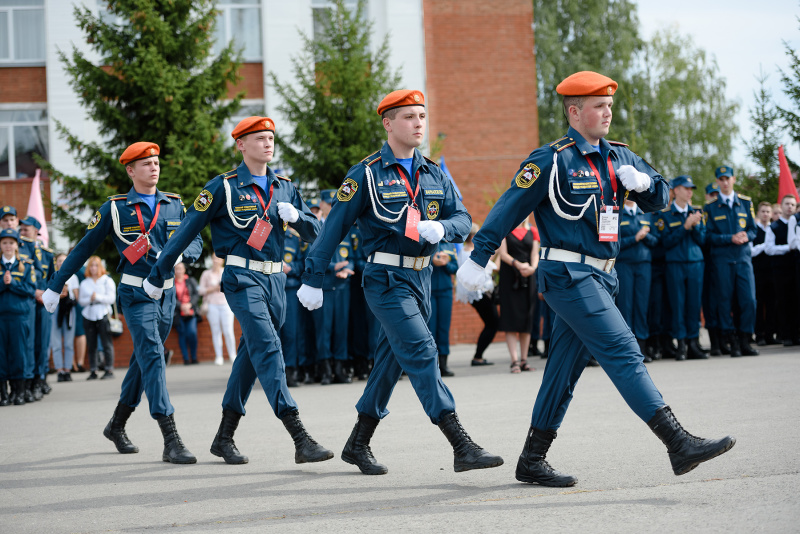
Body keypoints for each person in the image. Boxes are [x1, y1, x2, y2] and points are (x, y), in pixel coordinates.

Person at [458, 71, 735, 486]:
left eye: (609, 106)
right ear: (574, 112)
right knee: (624, 350)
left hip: (605, 275)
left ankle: (532, 459)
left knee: (563, 371)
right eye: (598, 107)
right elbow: (508, 207)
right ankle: (677, 442)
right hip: (568, 273)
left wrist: (645, 185)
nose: (607, 113)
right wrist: (477, 259)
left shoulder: (620, 156)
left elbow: (660, 195)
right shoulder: (552, 159)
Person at [298, 90, 503, 476]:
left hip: (421, 276)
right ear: (388, 124)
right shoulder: (367, 174)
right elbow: (332, 231)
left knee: (390, 365)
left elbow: (463, 220)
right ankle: (460, 443)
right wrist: (313, 278)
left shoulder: (433, 171)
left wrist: (440, 226)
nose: (418, 123)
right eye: (409, 116)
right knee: (422, 350)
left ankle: (358, 443)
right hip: (386, 277)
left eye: (422, 116)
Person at [144, 117, 332, 467]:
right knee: (268, 347)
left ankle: (224, 437)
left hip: (276, 282)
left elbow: (316, 232)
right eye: (259, 138)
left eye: (271, 137)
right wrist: (158, 272)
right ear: (241, 145)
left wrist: (299, 218)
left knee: (251, 355)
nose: (268, 143)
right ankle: (299, 435)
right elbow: (185, 232)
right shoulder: (223, 187)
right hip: (242, 278)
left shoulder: (285, 186)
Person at [43, 142, 203, 464]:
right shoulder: (115, 208)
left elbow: (196, 237)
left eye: (156, 162)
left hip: (168, 293)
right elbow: (82, 249)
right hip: (136, 293)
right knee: (155, 354)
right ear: (130, 170)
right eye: (146, 164)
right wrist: (55, 285)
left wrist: (184, 253)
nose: (154, 167)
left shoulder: (174, 204)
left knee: (143, 358)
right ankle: (170, 437)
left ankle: (116, 425)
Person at [703, 165, 759, 357]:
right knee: (724, 302)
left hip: (743, 259)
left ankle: (745, 340)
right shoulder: (710, 208)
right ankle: (732, 341)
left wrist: (747, 235)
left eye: (728, 178)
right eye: (721, 179)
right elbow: (708, 236)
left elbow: (753, 229)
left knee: (749, 301)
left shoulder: (745, 203)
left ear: (733, 179)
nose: (725, 182)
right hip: (722, 261)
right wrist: (729, 238)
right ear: (717, 182)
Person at [660, 176, 707, 360]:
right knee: (678, 305)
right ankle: (681, 344)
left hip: (695, 264)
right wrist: (685, 227)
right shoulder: (665, 215)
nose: (689, 192)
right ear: (676, 190)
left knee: (694, 305)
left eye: (691, 188)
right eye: (686, 188)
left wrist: (694, 226)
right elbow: (666, 242)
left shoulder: (696, 212)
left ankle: (693, 343)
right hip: (675, 265)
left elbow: (703, 240)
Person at [311, 189, 354, 385]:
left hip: (342, 286)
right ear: (322, 206)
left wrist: (348, 268)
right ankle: (326, 369)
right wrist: (332, 267)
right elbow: (310, 260)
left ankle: (340, 368)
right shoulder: (315, 229)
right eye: (330, 204)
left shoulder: (345, 228)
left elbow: (352, 257)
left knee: (341, 329)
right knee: (324, 329)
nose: (334, 207)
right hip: (325, 286)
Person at [615, 198, 656, 361]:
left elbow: (656, 240)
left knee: (641, 306)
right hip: (624, 264)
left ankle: (642, 348)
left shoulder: (646, 213)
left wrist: (645, 237)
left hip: (643, 264)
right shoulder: (617, 212)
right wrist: (635, 238)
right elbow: (613, 242)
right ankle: (628, 349)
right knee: (626, 306)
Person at [0, 228, 36, 406]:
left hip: (19, 317)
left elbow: (30, 290)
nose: (8, 246)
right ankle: (4, 394)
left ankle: (18, 392)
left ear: (17, 245)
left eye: (11, 243)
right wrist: (2, 283)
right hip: (1, 317)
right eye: (4, 242)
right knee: (1, 356)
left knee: (19, 354)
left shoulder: (26, 266)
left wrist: (12, 283)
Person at [497, 222, 538, 373]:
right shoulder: (505, 229)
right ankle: (514, 360)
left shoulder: (533, 231)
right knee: (510, 318)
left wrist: (532, 268)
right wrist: (518, 265)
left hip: (528, 277)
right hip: (510, 277)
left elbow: (535, 253)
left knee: (527, 317)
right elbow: (503, 254)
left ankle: (524, 360)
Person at [455, 223, 497, 367]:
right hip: (479, 293)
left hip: (475, 294)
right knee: (493, 323)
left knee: (491, 323)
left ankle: (478, 356)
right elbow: (490, 269)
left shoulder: (463, 252)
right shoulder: (471, 254)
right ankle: (478, 356)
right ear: (473, 236)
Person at [765, 195, 799, 346]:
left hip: (795, 268)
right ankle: (785, 335)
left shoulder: (796, 222)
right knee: (783, 301)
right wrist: (788, 248)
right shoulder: (774, 227)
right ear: (781, 205)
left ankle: (796, 333)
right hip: (780, 270)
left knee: (796, 302)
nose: (789, 207)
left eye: (792, 204)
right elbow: (769, 248)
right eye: (787, 204)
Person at [78, 256, 116, 379]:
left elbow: (111, 298)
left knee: (106, 343)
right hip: (89, 314)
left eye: (96, 265)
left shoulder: (106, 280)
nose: (93, 268)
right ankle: (93, 370)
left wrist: (98, 297)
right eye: (91, 265)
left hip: (103, 313)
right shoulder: (85, 282)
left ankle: (109, 369)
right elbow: (81, 301)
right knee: (91, 344)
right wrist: (90, 299)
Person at [279, 227, 306, 386]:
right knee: (274, 333)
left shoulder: (295, 238)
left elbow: (303, 263)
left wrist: (290, 268)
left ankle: (290, 370)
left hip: (290, 289)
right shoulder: (264, 232)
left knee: (291, 332)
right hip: (272, 288)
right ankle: (274, 371)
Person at [199, 253, 237, 366]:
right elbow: (201, 290)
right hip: (212, 305)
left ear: (222, 261)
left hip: (226, 304)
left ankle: (232, 355)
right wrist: (214, 288)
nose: (216, 261)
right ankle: (219, 356)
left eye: (218, 259)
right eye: (214, 259)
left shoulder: (226, 272)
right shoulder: (206, 273)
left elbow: (233, 288)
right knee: (216, 331)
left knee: (228, 331)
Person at [428, 241, 459, 376]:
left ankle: (444, 364)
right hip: (429, 290)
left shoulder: (449, 245)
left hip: (445, 290)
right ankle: (431, 365)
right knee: (431, 328)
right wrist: (432, 262)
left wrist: (446, 264)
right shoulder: (426, 242)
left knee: (443, 328)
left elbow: (455, 268)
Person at [50, 253, 79, 382]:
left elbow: (77, 297)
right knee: (56, 343)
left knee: (68, 342)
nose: (61, 263)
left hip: (69, 311)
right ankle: (59, 370)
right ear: (56, 262)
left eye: (64, 260)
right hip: (55, 310)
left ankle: (67, 369)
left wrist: (68, 297)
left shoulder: (73, 277)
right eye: (59, 260)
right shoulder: (52, 276)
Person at [751, 202, 776, 346]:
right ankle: (759, 334)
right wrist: (764, 247)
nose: (766, 214)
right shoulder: (754, 229)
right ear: (758, 213)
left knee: (772, 304)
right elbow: (751, 251)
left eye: (768, 211)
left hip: (772, 272)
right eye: (763, 211)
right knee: (759, 304)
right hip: (758, 271)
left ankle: (770, 334)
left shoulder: (773, 229)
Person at [172, 262, 200, 364]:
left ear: (184, 270)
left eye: (180, 268)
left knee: (192, 333)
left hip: (191, 312)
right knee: (182, 334)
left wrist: (189, 305)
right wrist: (181, 306)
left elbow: (197, 294)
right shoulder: (171, 282)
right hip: (178, 313)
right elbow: (171, 298)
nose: (178, 271)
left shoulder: (191, 280)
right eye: (176, 269)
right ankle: (186, 358)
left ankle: (194, 356)